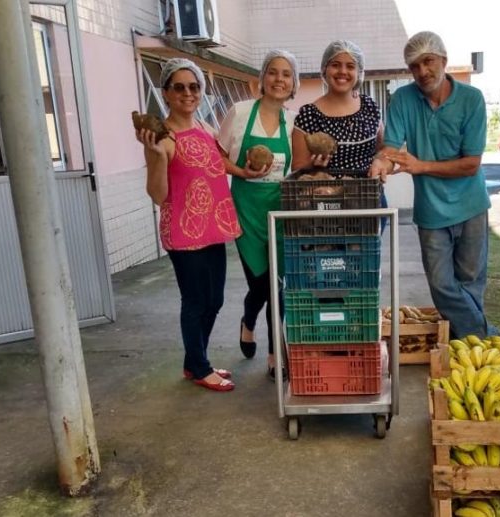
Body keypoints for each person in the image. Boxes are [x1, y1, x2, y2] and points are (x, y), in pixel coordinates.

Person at [369, 31, 492, 339]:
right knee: (441, 285)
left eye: (428, 62)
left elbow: (471, 164)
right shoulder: (403, 99)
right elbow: (392, 146)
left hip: (472, 206)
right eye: (414, 66)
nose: (422, 71)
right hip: (431, 213)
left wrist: (421, 166)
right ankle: (484, 337)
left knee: (470, 283)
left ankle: (467, 350)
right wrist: (382, 161)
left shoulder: (471, 99)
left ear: (444, 61)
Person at [136, 58, 241, 392]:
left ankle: (193, 361)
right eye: (178, 87)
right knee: (195, 301)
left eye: (194, 86)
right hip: (183, 233)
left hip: (214, 227)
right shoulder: (163, 138)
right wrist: (154, 155)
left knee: (215, 300)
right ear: (166, 93)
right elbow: (157, 194)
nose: (187, 93)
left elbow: (221, 167)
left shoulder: (207, 130)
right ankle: (199, 367)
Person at [217, 49, 299, 380]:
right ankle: (249, 321)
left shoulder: (293, 123)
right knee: (262, 283)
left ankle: (273, 352)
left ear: (293, 84)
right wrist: (241, 171)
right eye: (273, 72)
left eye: (286, 74)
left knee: (276, 284)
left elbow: (298, 167)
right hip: (247, 210)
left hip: (280, 211)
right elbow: (217, 157)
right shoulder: (239, 113)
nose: (279, 79)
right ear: (262, 79)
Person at [291, 40, 383, 176]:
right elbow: (297, 167)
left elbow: (383, 149)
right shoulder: (309, 114)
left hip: (369, 193)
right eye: (335, 65)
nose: (343, 71)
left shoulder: (369, 106)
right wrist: (313, 165)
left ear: (359, 72)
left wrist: (380, 161)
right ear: (324, 69)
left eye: (350, 66)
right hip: (326, 195)